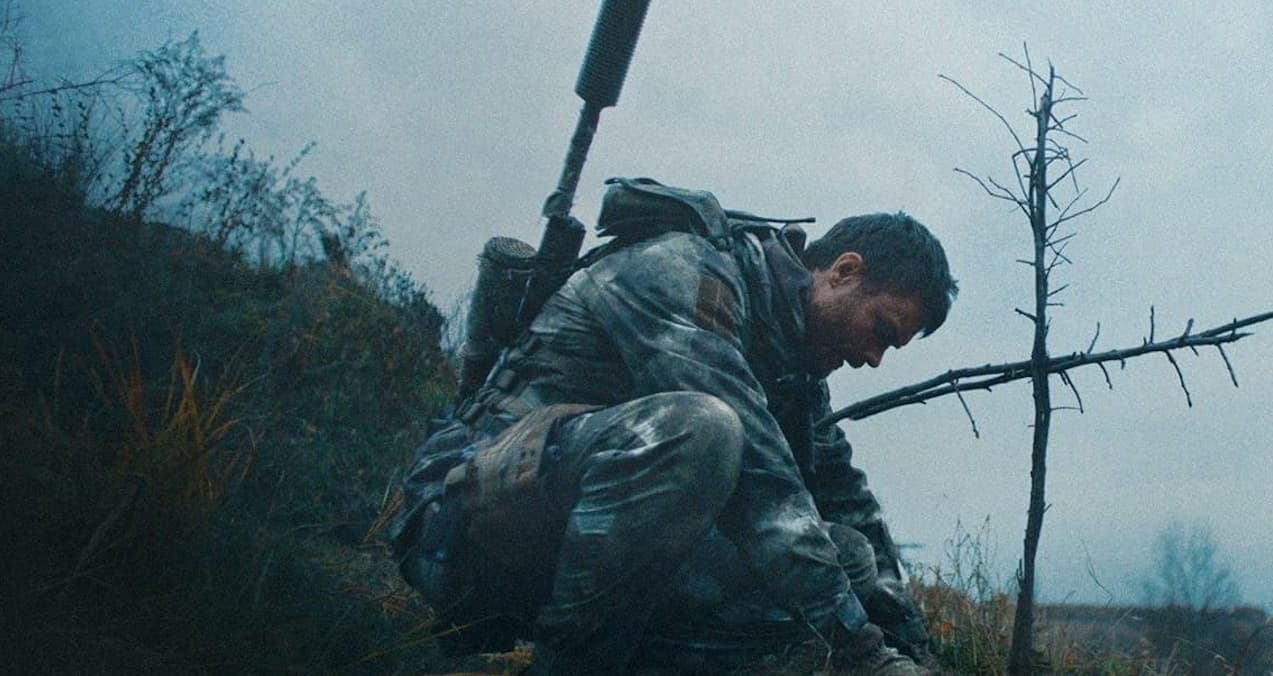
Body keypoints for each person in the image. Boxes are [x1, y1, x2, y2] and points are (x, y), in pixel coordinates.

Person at [391, 178, 957, 675]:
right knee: (704, 429)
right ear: (844, 272)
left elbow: (846, 498)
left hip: (570, 546)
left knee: (850, 556)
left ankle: (622, 658)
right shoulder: (681, 270)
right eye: (882, 331)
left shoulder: (795, 364)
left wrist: (911, 646)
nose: (874, 360)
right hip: (465, 535)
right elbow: (761, 478)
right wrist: (863, 649)